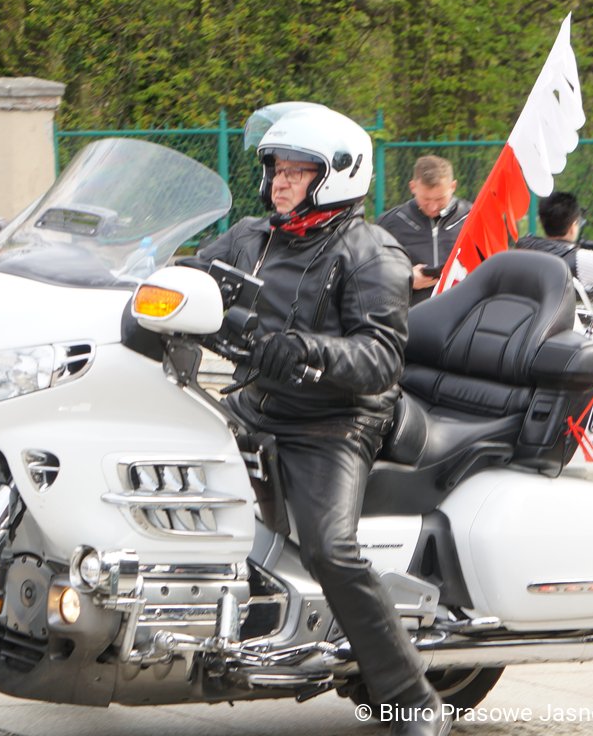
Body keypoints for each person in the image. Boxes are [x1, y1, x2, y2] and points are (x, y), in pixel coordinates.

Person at [197, 105, 449, 736]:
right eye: (276, 168)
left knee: (330, 549)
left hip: (333, 422)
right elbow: (188, 278)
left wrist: (309, 350)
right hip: (255, 402)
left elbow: (381, 358)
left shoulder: (371, 253)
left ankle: (413, 699)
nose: (280, 181)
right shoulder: (251, 236)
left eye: (297, 170)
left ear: (336, 174)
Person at [375, 155, 471, 304]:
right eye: (426, 199)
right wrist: (405, 279)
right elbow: (370, 275)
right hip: (411, 314)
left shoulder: (473, 219)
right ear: (413, 187)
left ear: (453, 186)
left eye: (440, 199)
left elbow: (493, 267)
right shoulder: (389, 223)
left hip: (466, 311)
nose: (433, 207)